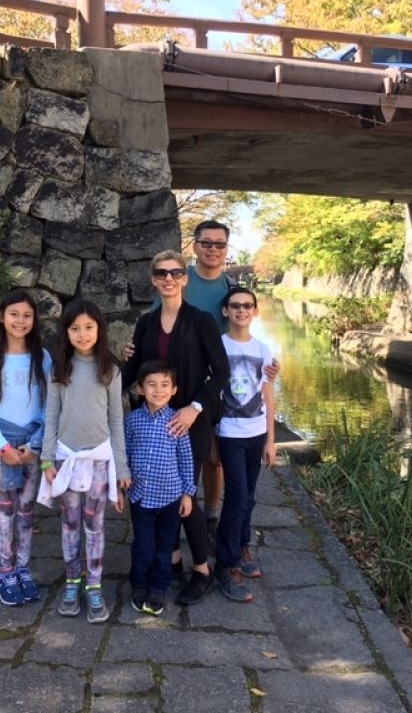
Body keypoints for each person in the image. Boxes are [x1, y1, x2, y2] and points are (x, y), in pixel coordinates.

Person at [146, 220, 279, 553]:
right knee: (175, 452)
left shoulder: (230, 286)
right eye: (206, 243)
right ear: (195, 246)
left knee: (214, 457)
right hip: (178, 380)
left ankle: (211, 517)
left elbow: (242, 333)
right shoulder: (179, 279)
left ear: (226, 249)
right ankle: (172, 517)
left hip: (219, 386)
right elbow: (153, 325)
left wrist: (265, 366)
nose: (213, 249)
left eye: (220, 244)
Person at [122, 250, 229, 605]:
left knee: (185, 496)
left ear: (185, 278)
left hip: (188, 422)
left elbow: (221, 373)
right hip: (151, 422)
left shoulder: (201, 321)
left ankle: (202, 570)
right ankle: (173, 561)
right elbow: (133, 371)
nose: (169, 278)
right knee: (157, 492)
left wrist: (194, 408)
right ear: (153, 279)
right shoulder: (145, 324)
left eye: (176, 273)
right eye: (161, 273)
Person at [39, 299, 131, 624]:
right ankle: (71, 581)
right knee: (70, 524)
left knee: (95, 525)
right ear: (66, 331)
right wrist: (46, 458)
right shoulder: (59, 368)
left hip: (99, 462)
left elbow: (117, 421)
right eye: (75, 328)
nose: (82, 334)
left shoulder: (111, 369)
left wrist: (121, 468)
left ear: (99, 329)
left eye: (88, 327)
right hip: (66, 459)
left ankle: (93, 585)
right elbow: (51, 416)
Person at [0, 289, 51, 606]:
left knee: (26, 509)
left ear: (34, 320)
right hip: (3, 445)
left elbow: (50, 404)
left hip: (33, 443)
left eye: (27, 315)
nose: (20, 320)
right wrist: (1, 446)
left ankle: (23, 568)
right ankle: (5, 571)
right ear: (1, 317)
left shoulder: (42, 358)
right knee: (5, 509)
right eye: (14, 314)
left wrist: (35, 445)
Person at [213, 287, 276, 602]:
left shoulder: (263, 349)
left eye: (247, 306)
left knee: (248, 496)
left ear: (255, 311)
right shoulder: (217, 346)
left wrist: (271, 440)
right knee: (236, 496)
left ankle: (241, 543)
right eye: (235, 306)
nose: (241, 310)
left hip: (255, 433)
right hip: (229, 432)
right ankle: (226, 564)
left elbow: (266, 394)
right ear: (225, 311)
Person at [124, 360, 195, 616]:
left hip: (170, 498)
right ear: (141, 389)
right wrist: (121, 485)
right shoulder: (132, 421)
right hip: (141, 497)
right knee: (143, 546)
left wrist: (188, 493)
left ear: (174, 390)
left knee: (165, 547)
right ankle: (139, 584)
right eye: (151, 385)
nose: (158, 390)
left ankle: (158, 589)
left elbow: (186, 459)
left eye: (165, 385)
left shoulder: (178, 422)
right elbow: (126, 455)